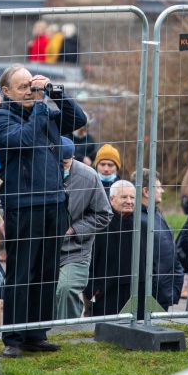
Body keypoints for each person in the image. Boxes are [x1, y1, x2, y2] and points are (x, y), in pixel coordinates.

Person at [0, 63, 87, 357]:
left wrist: (55, 92)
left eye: (32, 85)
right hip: (24, 205)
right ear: (6, 91)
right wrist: (42, 108)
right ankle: (14, 338)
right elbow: (24, 140)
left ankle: (37, 332)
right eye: (23, 87)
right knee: (22, 272)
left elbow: (79, 118)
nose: (30, 91)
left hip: (54, 203)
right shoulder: (1, 118)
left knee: (46, 272)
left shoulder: (44, 111)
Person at [56, 137, 112, 320]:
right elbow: (3, 196)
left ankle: (65, 333)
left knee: (66, 289)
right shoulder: (39, 171)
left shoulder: (88, 176)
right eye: (57, 163)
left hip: (75, 250)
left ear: (72, 158)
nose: (61, 168)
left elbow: (104, 214)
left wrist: (74, 229)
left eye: (65, 163)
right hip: (42, 248)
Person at [134, 169, 185, 310]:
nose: (162, 191)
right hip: (151, 296)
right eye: (158, 187)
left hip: (162, 292)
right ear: (146, 191)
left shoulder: (156, 215)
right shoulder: (139, 221)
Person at [88, 180, 137, 316]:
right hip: (106, 295)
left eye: (132, 197)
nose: (129, 201)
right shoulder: (100, 226)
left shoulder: (141, 226)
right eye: (124, 197)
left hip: (135, 293)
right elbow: (89, 260)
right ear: (111, 199)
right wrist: (93, 290)